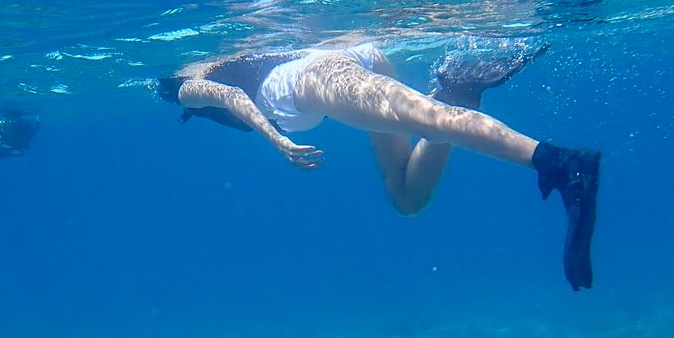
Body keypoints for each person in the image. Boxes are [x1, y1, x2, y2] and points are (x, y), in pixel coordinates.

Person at [157, 38, 600, 291]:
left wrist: (275, 140)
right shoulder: (224, 65)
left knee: (423, 118)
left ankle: (558, 162)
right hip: (349, 57)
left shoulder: (185, 88)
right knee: (407, 195)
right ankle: (459, 92)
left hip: (313, 78)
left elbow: (230, 97)